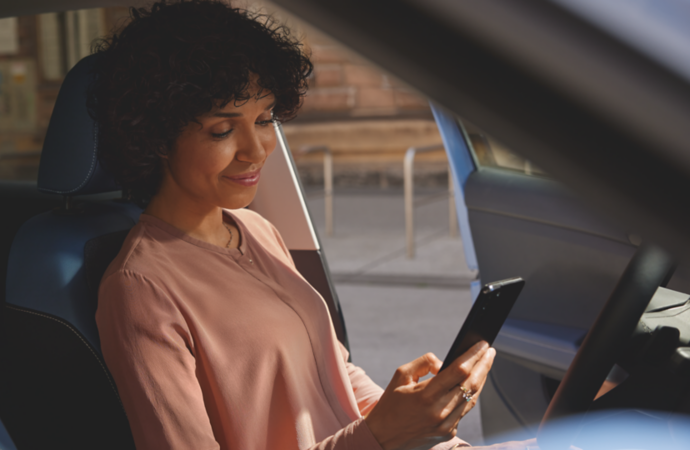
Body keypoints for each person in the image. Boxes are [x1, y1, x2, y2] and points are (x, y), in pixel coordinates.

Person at [91, 1, 534, 449]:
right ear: (158, 136)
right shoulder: (140, 288)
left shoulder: (257, 230)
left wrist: (413, 418)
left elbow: (332, 372)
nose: (256, 150)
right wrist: (383, 434)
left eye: (264, 121)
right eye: (223, 131)